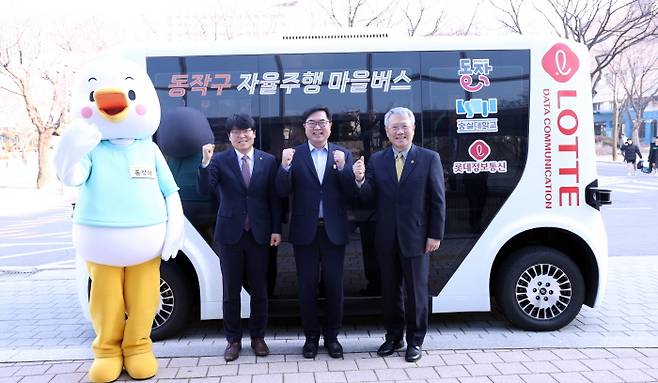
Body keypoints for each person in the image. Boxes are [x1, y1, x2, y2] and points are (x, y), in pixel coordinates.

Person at [353, 106, 446, 362]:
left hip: (416, 236)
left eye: (404, 126)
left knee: (416, 292)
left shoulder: (429, 158)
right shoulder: (378, 159)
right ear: (386, 131)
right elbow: (368, 197)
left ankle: (415, 341)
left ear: (413, 128)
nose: (400, 131)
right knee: (390, 291)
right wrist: (360, 180)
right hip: (385, 238)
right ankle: (394, 337)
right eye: (394, 127)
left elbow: (438, 201)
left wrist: (435, 234)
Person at [197, 113, 282, 361]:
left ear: (254, 133)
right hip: (230, 235)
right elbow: (205, 189)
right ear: (229, 136)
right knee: (230, 291)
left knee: (260, 290)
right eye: (236, 132)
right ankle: (233, 340)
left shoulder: (268, 161)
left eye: (246, 131)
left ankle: (258, 337)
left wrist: (276, 229)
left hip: (259, 235)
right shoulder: (220, 160)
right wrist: (204, 162)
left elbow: (274, 199)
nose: (241, 135)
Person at [275, 105, 356, 359]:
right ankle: (311, 338)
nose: (318, 127)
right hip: (305, 232)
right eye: (312, 123)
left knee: (334, 286)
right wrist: (285, 166)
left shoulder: (342, 154)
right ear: (304, 128)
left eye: (322, 122)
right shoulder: (294, 155)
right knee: (307, 286)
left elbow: (353, 193)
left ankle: (332, 337)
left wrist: (344, 170)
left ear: (330, 126)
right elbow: (280, 190)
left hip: (334, 232)